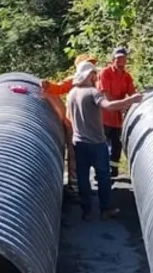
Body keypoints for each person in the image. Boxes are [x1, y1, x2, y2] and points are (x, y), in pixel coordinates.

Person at [68, 61, 142, 220]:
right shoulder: (92, 92)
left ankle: (86, 211)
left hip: (78, 142)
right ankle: (105, 208)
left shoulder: (71, 93)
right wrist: (131, 100)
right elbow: (108, 106)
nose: (97, 77)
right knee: (103, 177)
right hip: (96, 142)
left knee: (83, 177)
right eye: (95, 74)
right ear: (89, 75)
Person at [41, 54, 97, 191]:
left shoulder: (96, 80)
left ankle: (82, 182)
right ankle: (74, 184)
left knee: (87, 153)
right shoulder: (72, 80)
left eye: (92, 63)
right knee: (74, 154)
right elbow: (59, 88)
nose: (91, 66)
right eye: (88, 63)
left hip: (89, 123)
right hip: (73, 123)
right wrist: (48, 86)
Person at [97, 47, 136, 177]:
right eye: (118, 58)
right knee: (103, 145)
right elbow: (106, 97)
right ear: (113, 59)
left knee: (116, 146)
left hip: (118, 118)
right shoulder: (105, 73)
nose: (121, 61)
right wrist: (124, 104)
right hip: (104, 116)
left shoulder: (127, 76)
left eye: (123, 58)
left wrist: (132, 102)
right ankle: (101, 171)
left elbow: (132, 94)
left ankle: (113, 171)